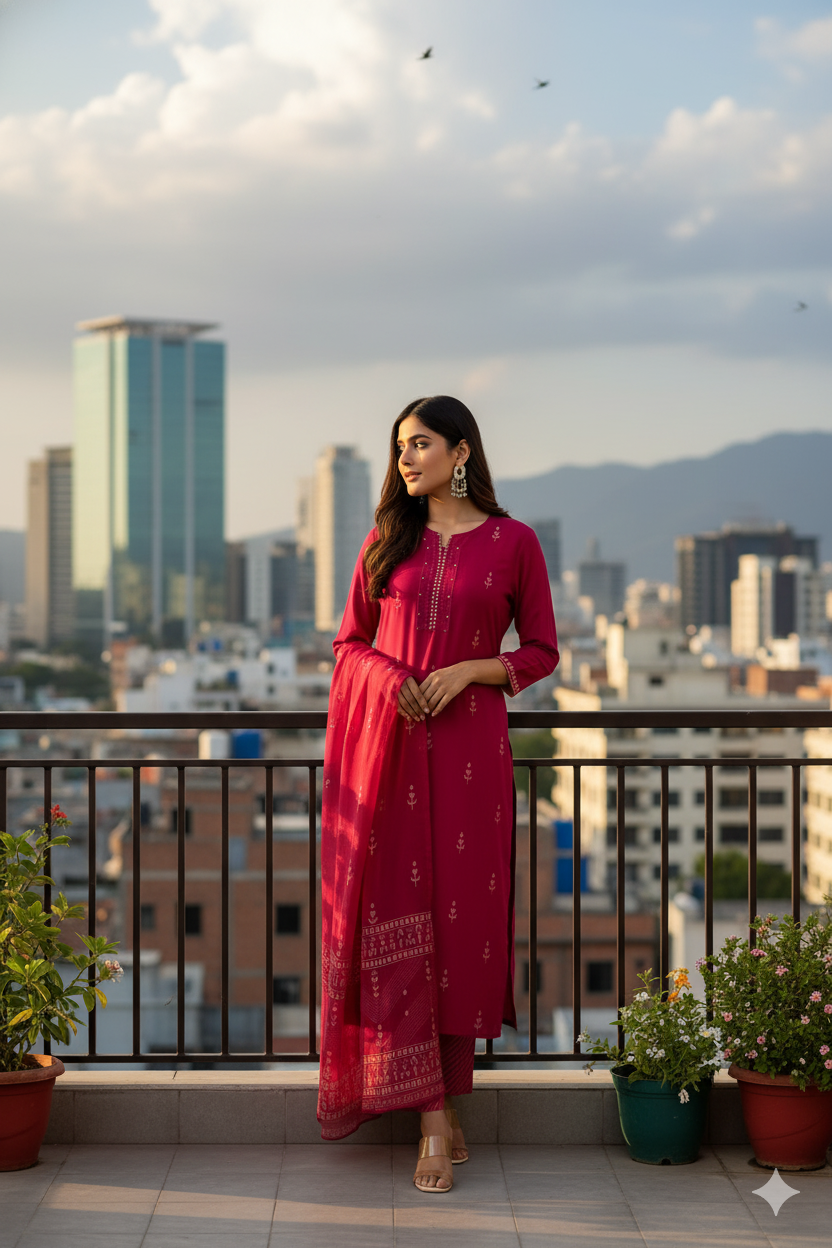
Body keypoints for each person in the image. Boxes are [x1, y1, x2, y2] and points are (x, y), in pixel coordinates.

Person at [317, 396, 558, 1192]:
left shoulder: (514, 542)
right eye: (398, 449)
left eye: (418, 444)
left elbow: (543, 650)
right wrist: (392, 678)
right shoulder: (387, 542)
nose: (404, 460)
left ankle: (450, 1100)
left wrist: (473, 670)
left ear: (461, 451)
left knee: (463, 923)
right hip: (389, 754)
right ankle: (430, 1118)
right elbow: (348, 643)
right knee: (403, 920)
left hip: (470, 755)